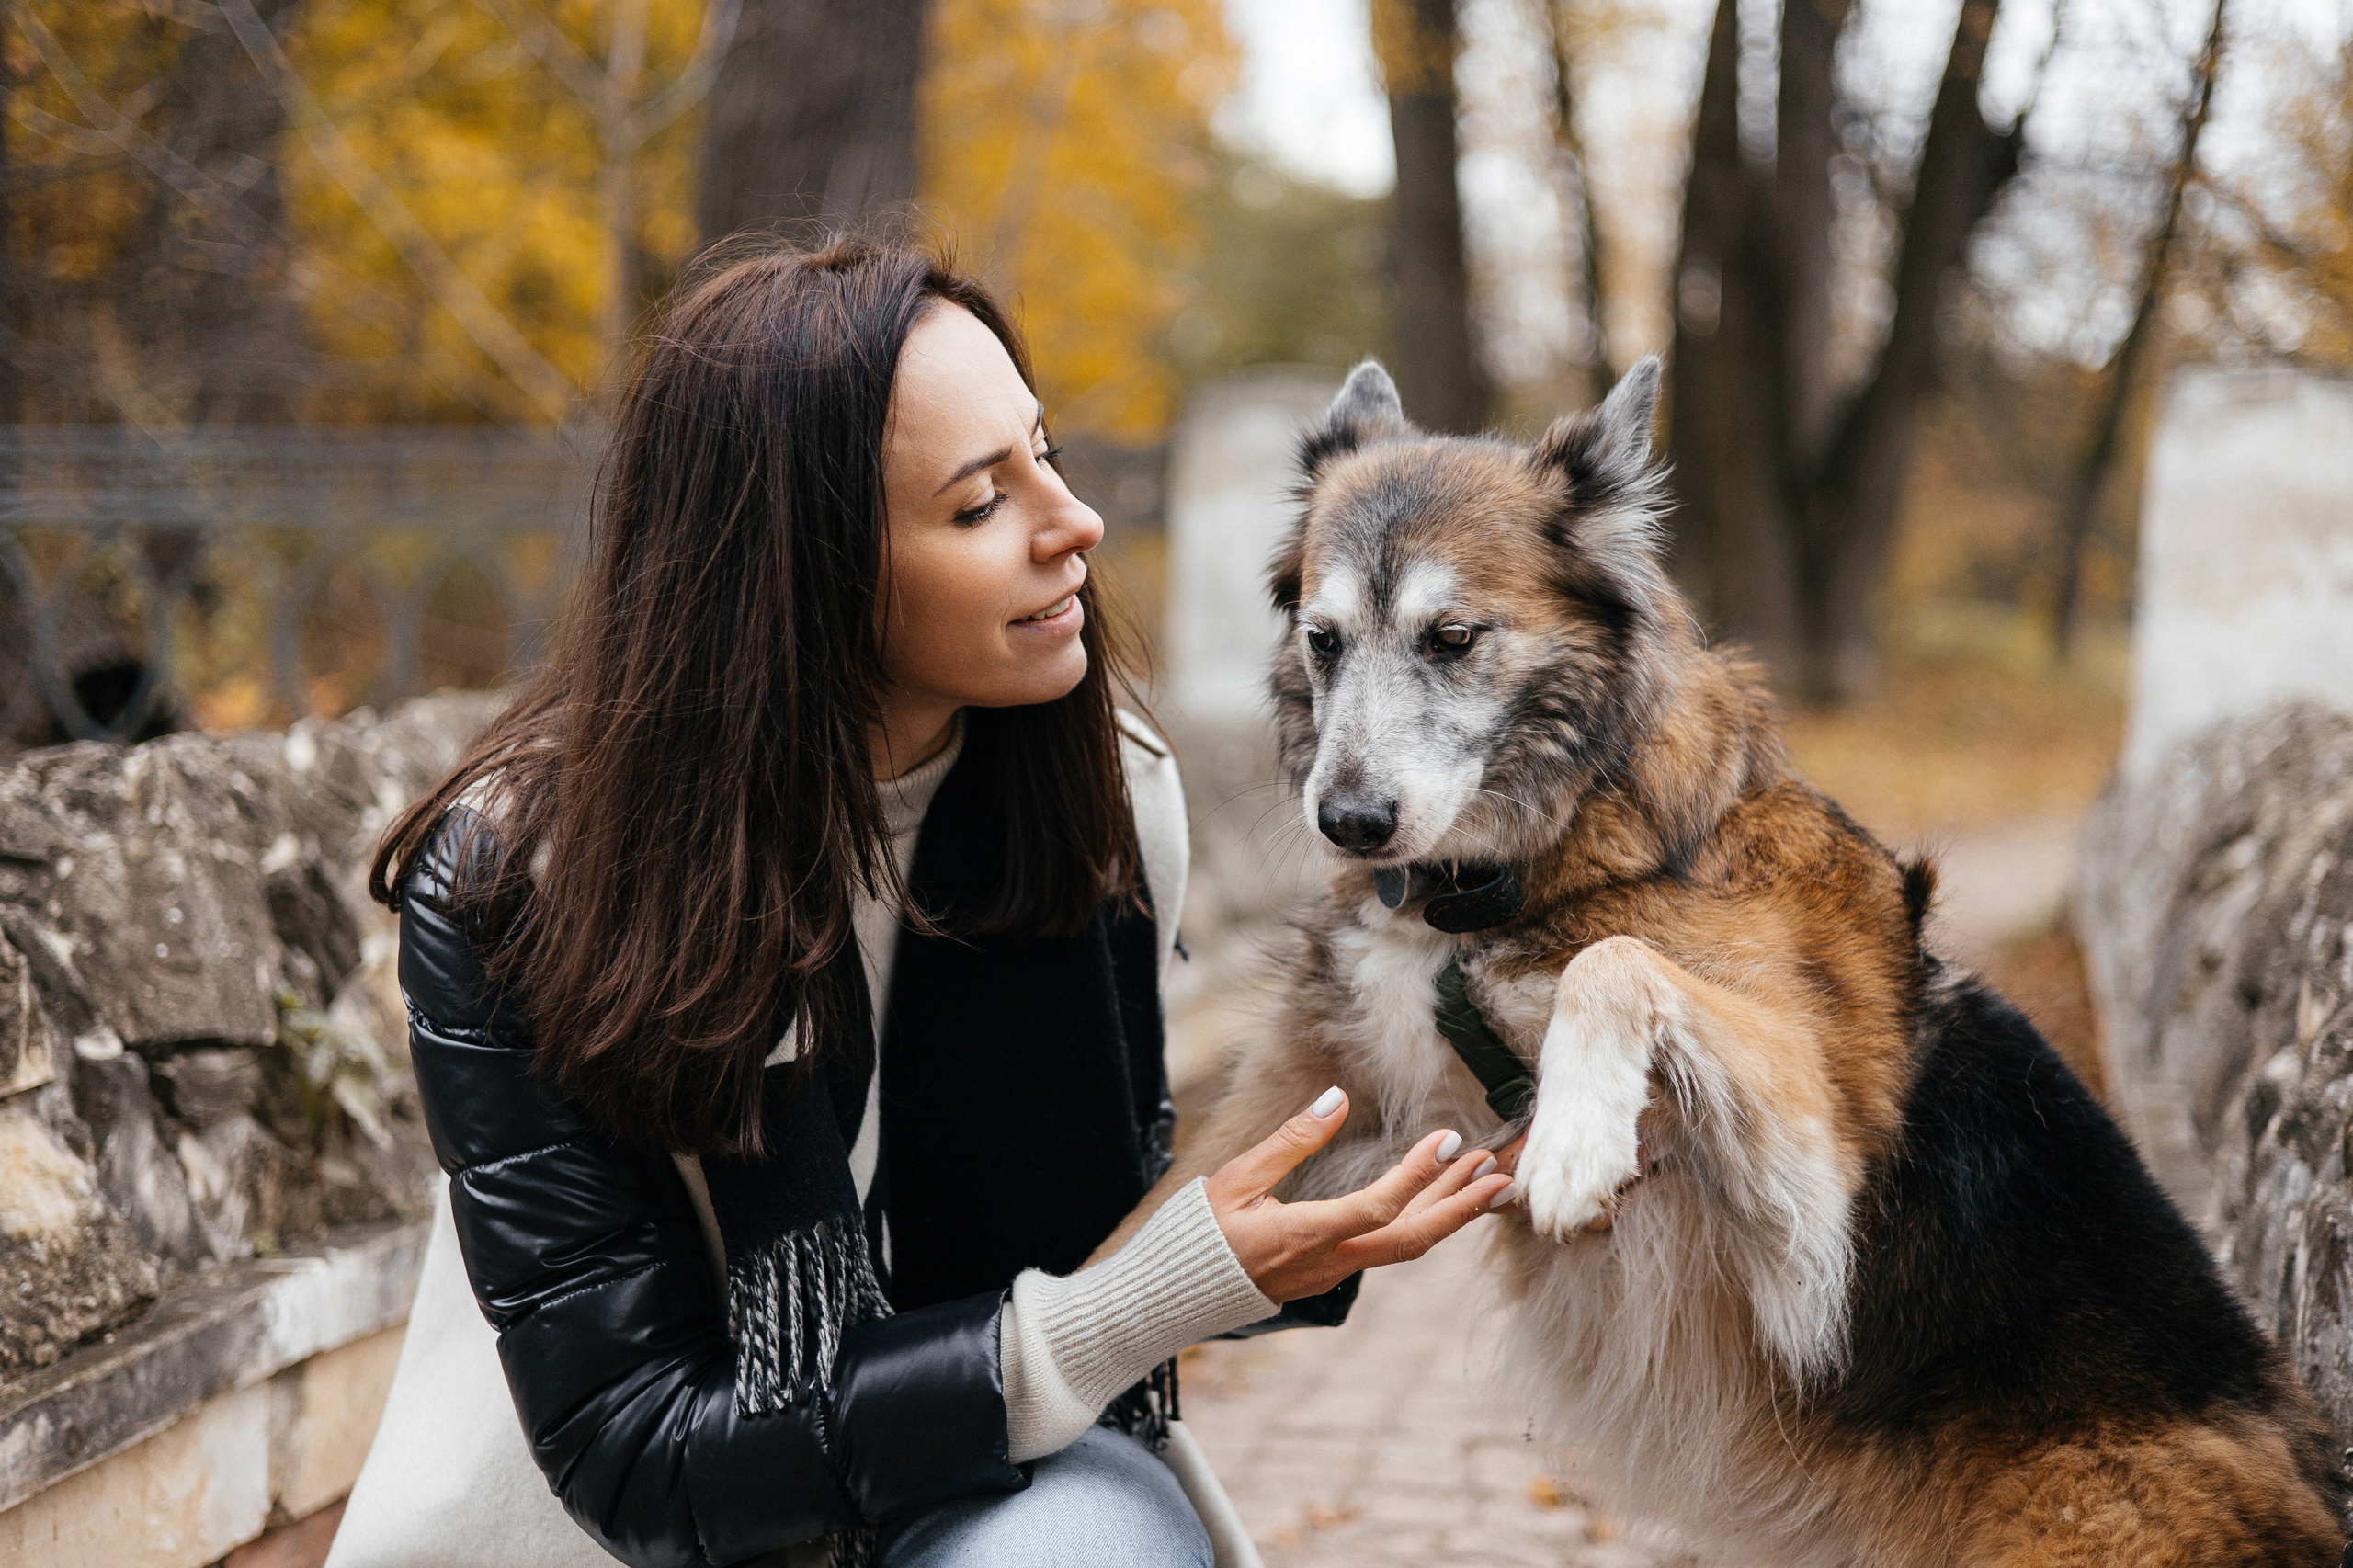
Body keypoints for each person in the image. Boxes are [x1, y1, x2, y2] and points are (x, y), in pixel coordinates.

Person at [368, 236, 1513, 1568]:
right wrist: (1122, 1309)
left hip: (981, 1488)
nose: (1070, 523)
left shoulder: (1100, 800)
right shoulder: (523, 873)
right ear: (799, 572)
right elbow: (638, 1444)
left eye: (1048, 455)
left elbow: (1091, 1225)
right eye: (980, 506)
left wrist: (1385, 1148)